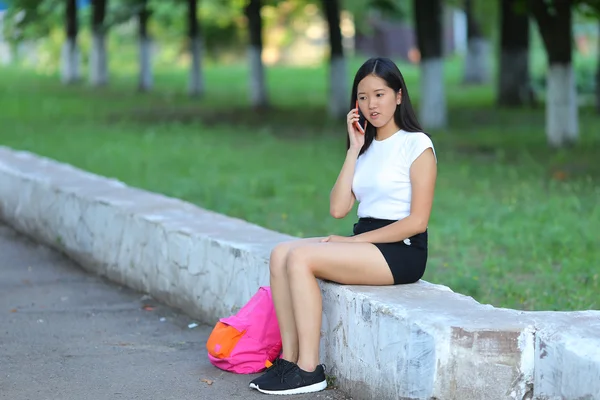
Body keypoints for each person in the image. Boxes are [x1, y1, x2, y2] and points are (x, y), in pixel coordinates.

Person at [249, 57, 437, 395]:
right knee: (281, 253)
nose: (371, 105)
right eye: (362, 97)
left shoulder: (417, 145)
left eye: (379, 94)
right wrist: (353, 149)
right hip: (366, 243)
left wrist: (352, 244)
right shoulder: (365, 149)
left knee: (302, 258)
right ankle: (289, 361)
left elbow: (417, 222)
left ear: (398, 95)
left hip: (401, 251)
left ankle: (309, 369)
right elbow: (338, 208)